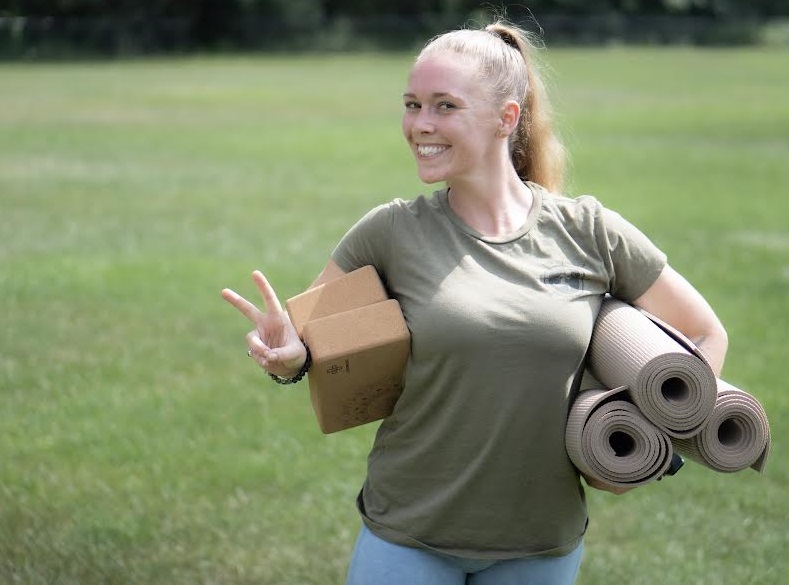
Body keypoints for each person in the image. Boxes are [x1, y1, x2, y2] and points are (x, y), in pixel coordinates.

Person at [221, 20, 728, 585]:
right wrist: (291, 359)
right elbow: (311, 344)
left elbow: (705, 333)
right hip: (409, 535)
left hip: (541, 543)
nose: (420, 125)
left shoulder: (588, 231)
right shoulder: (389, 232)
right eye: (412, 105)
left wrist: (658, 437)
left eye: (444, 106)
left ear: (506, 119)